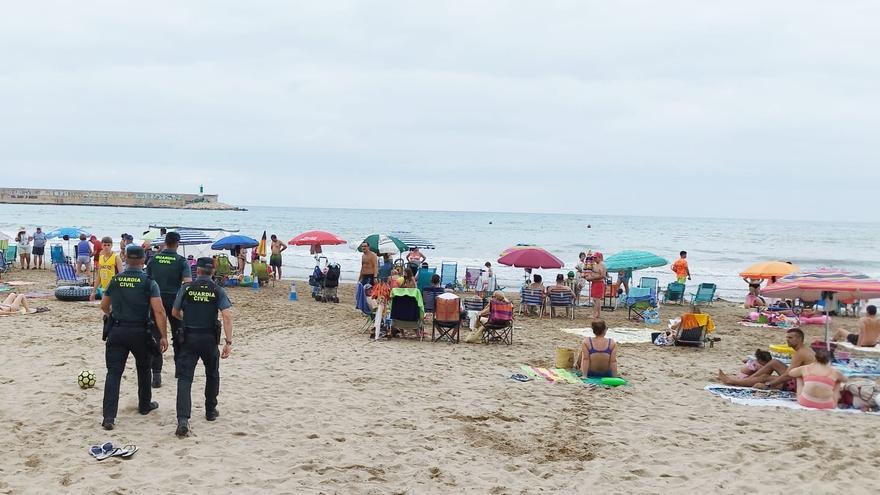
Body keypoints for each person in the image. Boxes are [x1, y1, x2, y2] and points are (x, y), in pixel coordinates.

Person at [99, 245, 168, 430]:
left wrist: (112, 313)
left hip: (118, 330)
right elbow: (159, 311)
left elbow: (104, 305)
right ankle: (145, 405)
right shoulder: (148, 282)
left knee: (113, 373)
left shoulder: (116, 279)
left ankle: (109, 417)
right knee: (144, 368)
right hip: (140, 331)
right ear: (143, 259)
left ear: (126, 258)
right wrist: (163, 336)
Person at [172, 257, 233, 437]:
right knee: (212, 373)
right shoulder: (217, 290)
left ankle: (183, 419)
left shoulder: (187, 288)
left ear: (196, 271)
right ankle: (210, 410)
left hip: (189, 336)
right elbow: (227, 316)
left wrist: (188, 319)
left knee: (185, 378)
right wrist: (228, 342)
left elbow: (175, 312)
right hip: (208, 338)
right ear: (213, 272)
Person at [145, 231, 192, 388]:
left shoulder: (154, 259)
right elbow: (187, 284)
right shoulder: (181, 261)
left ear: (165, 242)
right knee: (178, 333)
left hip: (155, 299)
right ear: (177, 243)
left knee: (156, 335)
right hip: (174, 300)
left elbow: (147, 280)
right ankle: (179, 369)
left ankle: (156, 374)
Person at [718, 328, 815, 390]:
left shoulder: (800, 353)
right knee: (774, 362)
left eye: (790, 338)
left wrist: (769, 385)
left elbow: (788, 376)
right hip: (804, 379)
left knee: (765, 377)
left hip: (803, 384)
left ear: (799, 339)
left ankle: (733, 381)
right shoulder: (804, 349)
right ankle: (748, 380)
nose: (787, 340)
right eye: (787, 337)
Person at [91, 237, 123, 301]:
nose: (106, 247)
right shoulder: (101, 258)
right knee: (104, 307)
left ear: (111, 245)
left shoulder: (116, 257)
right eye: (104, 245)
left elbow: (121, 275)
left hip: (114, 288)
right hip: (104, 288)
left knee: (111, 308)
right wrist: (93, 292)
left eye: (108, 245)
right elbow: (98, 276)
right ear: (102, 245)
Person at [584, 252, 607, 319]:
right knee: (595, 299)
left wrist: (592, 278)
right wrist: (588, 278)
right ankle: (597, 314)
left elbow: (602, 275)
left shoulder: (602, 265)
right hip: (594, 283)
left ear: (599, 258)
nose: (594, 259)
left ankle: (595, 314)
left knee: (597, 299)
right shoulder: (594, 265)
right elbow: (590, 272)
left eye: (595, 257)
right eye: (594, 257)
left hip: (599, 283)